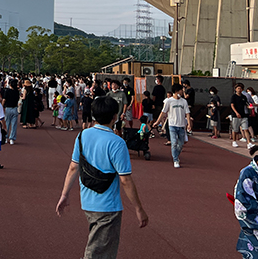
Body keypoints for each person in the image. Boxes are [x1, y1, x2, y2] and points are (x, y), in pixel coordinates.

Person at [56, 97, 148, 259]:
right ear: (115, 116)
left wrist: (65, 194)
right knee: (99, 252)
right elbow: (125, 179)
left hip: (87, 200)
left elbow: (73, 167)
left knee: (97, 245)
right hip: (107, 205)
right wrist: (139, 208)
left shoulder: (82, 136)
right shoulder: (117, 143)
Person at [153, 83, 191, 168]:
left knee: (180, 144)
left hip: (181, 125)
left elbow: (187, 113)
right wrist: (157, 122)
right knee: (174, 143)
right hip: (172, 125)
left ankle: (176, 155)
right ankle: (175, 160)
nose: (182, 91)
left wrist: (188, 124)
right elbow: (163, 112)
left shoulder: (184, 101)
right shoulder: (169, 101)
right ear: (177, 91)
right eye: (181, 90)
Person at [230, 83, 254, 149]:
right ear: (235, 89)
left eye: (240, 88)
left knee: (246, 129)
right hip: (236, 116)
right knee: (235, 129)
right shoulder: (234, 97)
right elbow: (232, 105)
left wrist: (249, 107)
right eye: (238, 88)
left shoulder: (244, 97)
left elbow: (246, 104)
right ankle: (234, 141)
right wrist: (236, 113)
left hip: (244, 115)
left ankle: (249, 143)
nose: (239, 90)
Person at [2, 78, 19, 144]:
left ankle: (6, 137)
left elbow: (4, 100)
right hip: (15, 108)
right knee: (14, 124)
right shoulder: (17, 91)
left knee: (7, 124)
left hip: (8, 108)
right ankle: (12, 138)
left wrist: (2, 106)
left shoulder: (7, 91)